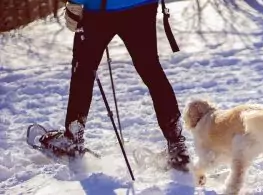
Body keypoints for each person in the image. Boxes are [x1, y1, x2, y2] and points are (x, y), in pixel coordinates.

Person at [40, 0, 190, 172]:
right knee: (151, 69)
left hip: (101, 10)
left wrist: (75, 2)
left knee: (83, 72)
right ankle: (177, 145)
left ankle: (72, 140)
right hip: (142, 6)